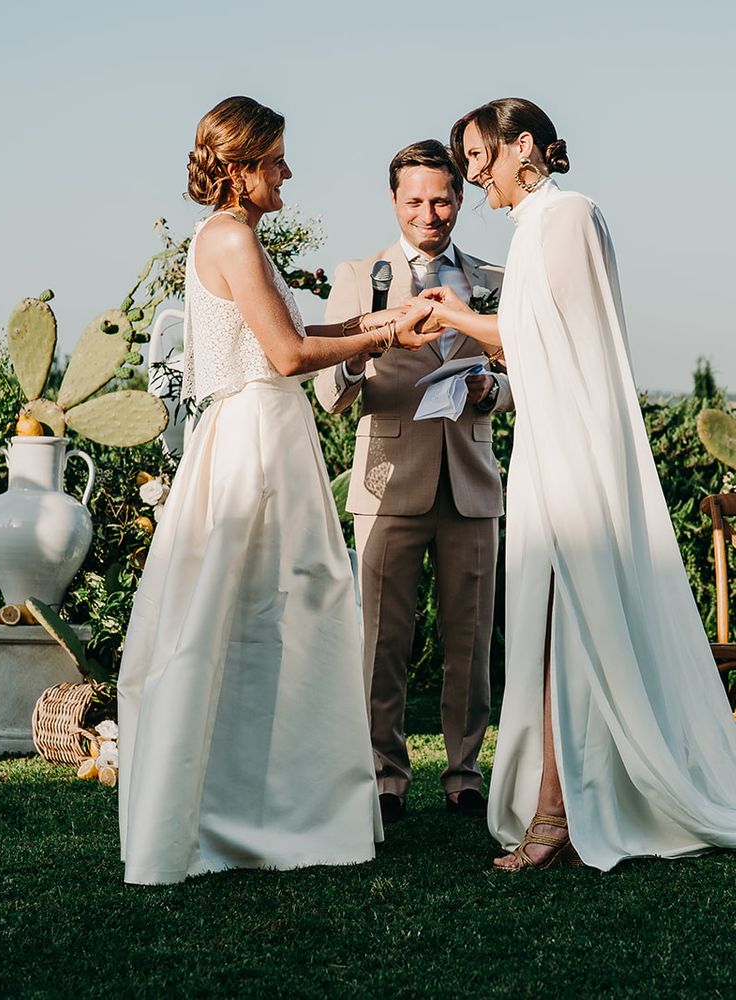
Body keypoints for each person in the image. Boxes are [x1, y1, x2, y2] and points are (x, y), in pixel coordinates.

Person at [116, 96, 441, 885]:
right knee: (265, 617)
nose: (287, 172)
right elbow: (290, 356)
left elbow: (298, 338)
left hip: (264, 432)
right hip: (255, 445)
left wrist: (381, 318)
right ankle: (254, 814)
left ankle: (277, 806)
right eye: (275, 160)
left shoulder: (236, 237)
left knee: (278, 619)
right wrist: (391, 334)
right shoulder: (229, 238)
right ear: (239, 167)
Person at [420, 97, 736, 871]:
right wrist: (474, 331)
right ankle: (561, 801)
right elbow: (535, 344)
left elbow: (556, 341)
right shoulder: (539, 228)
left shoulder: (568, 218)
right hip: (547, 447)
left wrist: (460, 315)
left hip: (573, 453)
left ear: (522, 146)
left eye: (479, 157)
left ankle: (558, 813)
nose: (472, 173)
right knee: (557, 620)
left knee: (569, 616)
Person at [314, 139, 512, 823]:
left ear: (460, 197)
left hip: (472, 480)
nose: (431, 213)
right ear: (393, 201)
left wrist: (492, 389)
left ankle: (464, 774)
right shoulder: (358, 274)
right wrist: (369, 345)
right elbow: (329, 393)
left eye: (444, 198)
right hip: (387, 478)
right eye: (416, 200)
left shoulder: (493, 275)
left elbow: (522, 370)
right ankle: (384, 777)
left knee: (472, 640)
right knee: (383, 643)